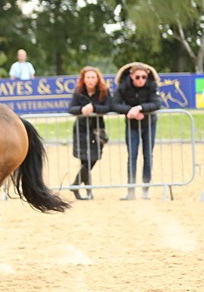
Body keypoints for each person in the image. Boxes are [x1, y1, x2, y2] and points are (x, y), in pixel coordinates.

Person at [111, 62, 162, 200]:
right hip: (131, 125)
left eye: (144, 77)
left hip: (149, 124)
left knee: (148, 155)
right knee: (132, 156)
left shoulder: (151, 86)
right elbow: (114, 104)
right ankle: (131, 190)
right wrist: (130, 111)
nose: (141, 80)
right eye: (138, 77)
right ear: (131, 76)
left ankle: (146, 189)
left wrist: (139, 108)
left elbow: (157, 103)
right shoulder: (123, 87)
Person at [67, 66, 110, 200]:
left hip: (97, 129)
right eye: (88, 77)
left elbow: (109, 107)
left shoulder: (104, 91)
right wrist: (82, 109)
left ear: (97, 79)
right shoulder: (78, 92)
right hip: (81, 129)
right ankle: (88, 191)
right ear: (83, 79)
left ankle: (75, 184)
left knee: (93, 158)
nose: (90, 80)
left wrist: (94, 108)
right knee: (84, 160)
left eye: (93, 77)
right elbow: (71, 108)